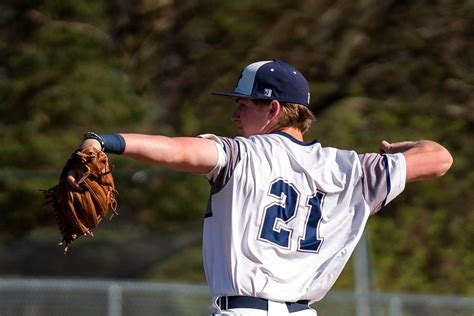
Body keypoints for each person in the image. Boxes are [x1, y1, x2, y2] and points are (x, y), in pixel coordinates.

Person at [70, 60, 453, 315]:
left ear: (272, 109)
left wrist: (104, 140)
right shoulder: (354, 168)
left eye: (244, 105)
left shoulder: (241, 155)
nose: (235, 115)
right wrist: (396, 150)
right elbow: (439, 158)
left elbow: (176, 149)